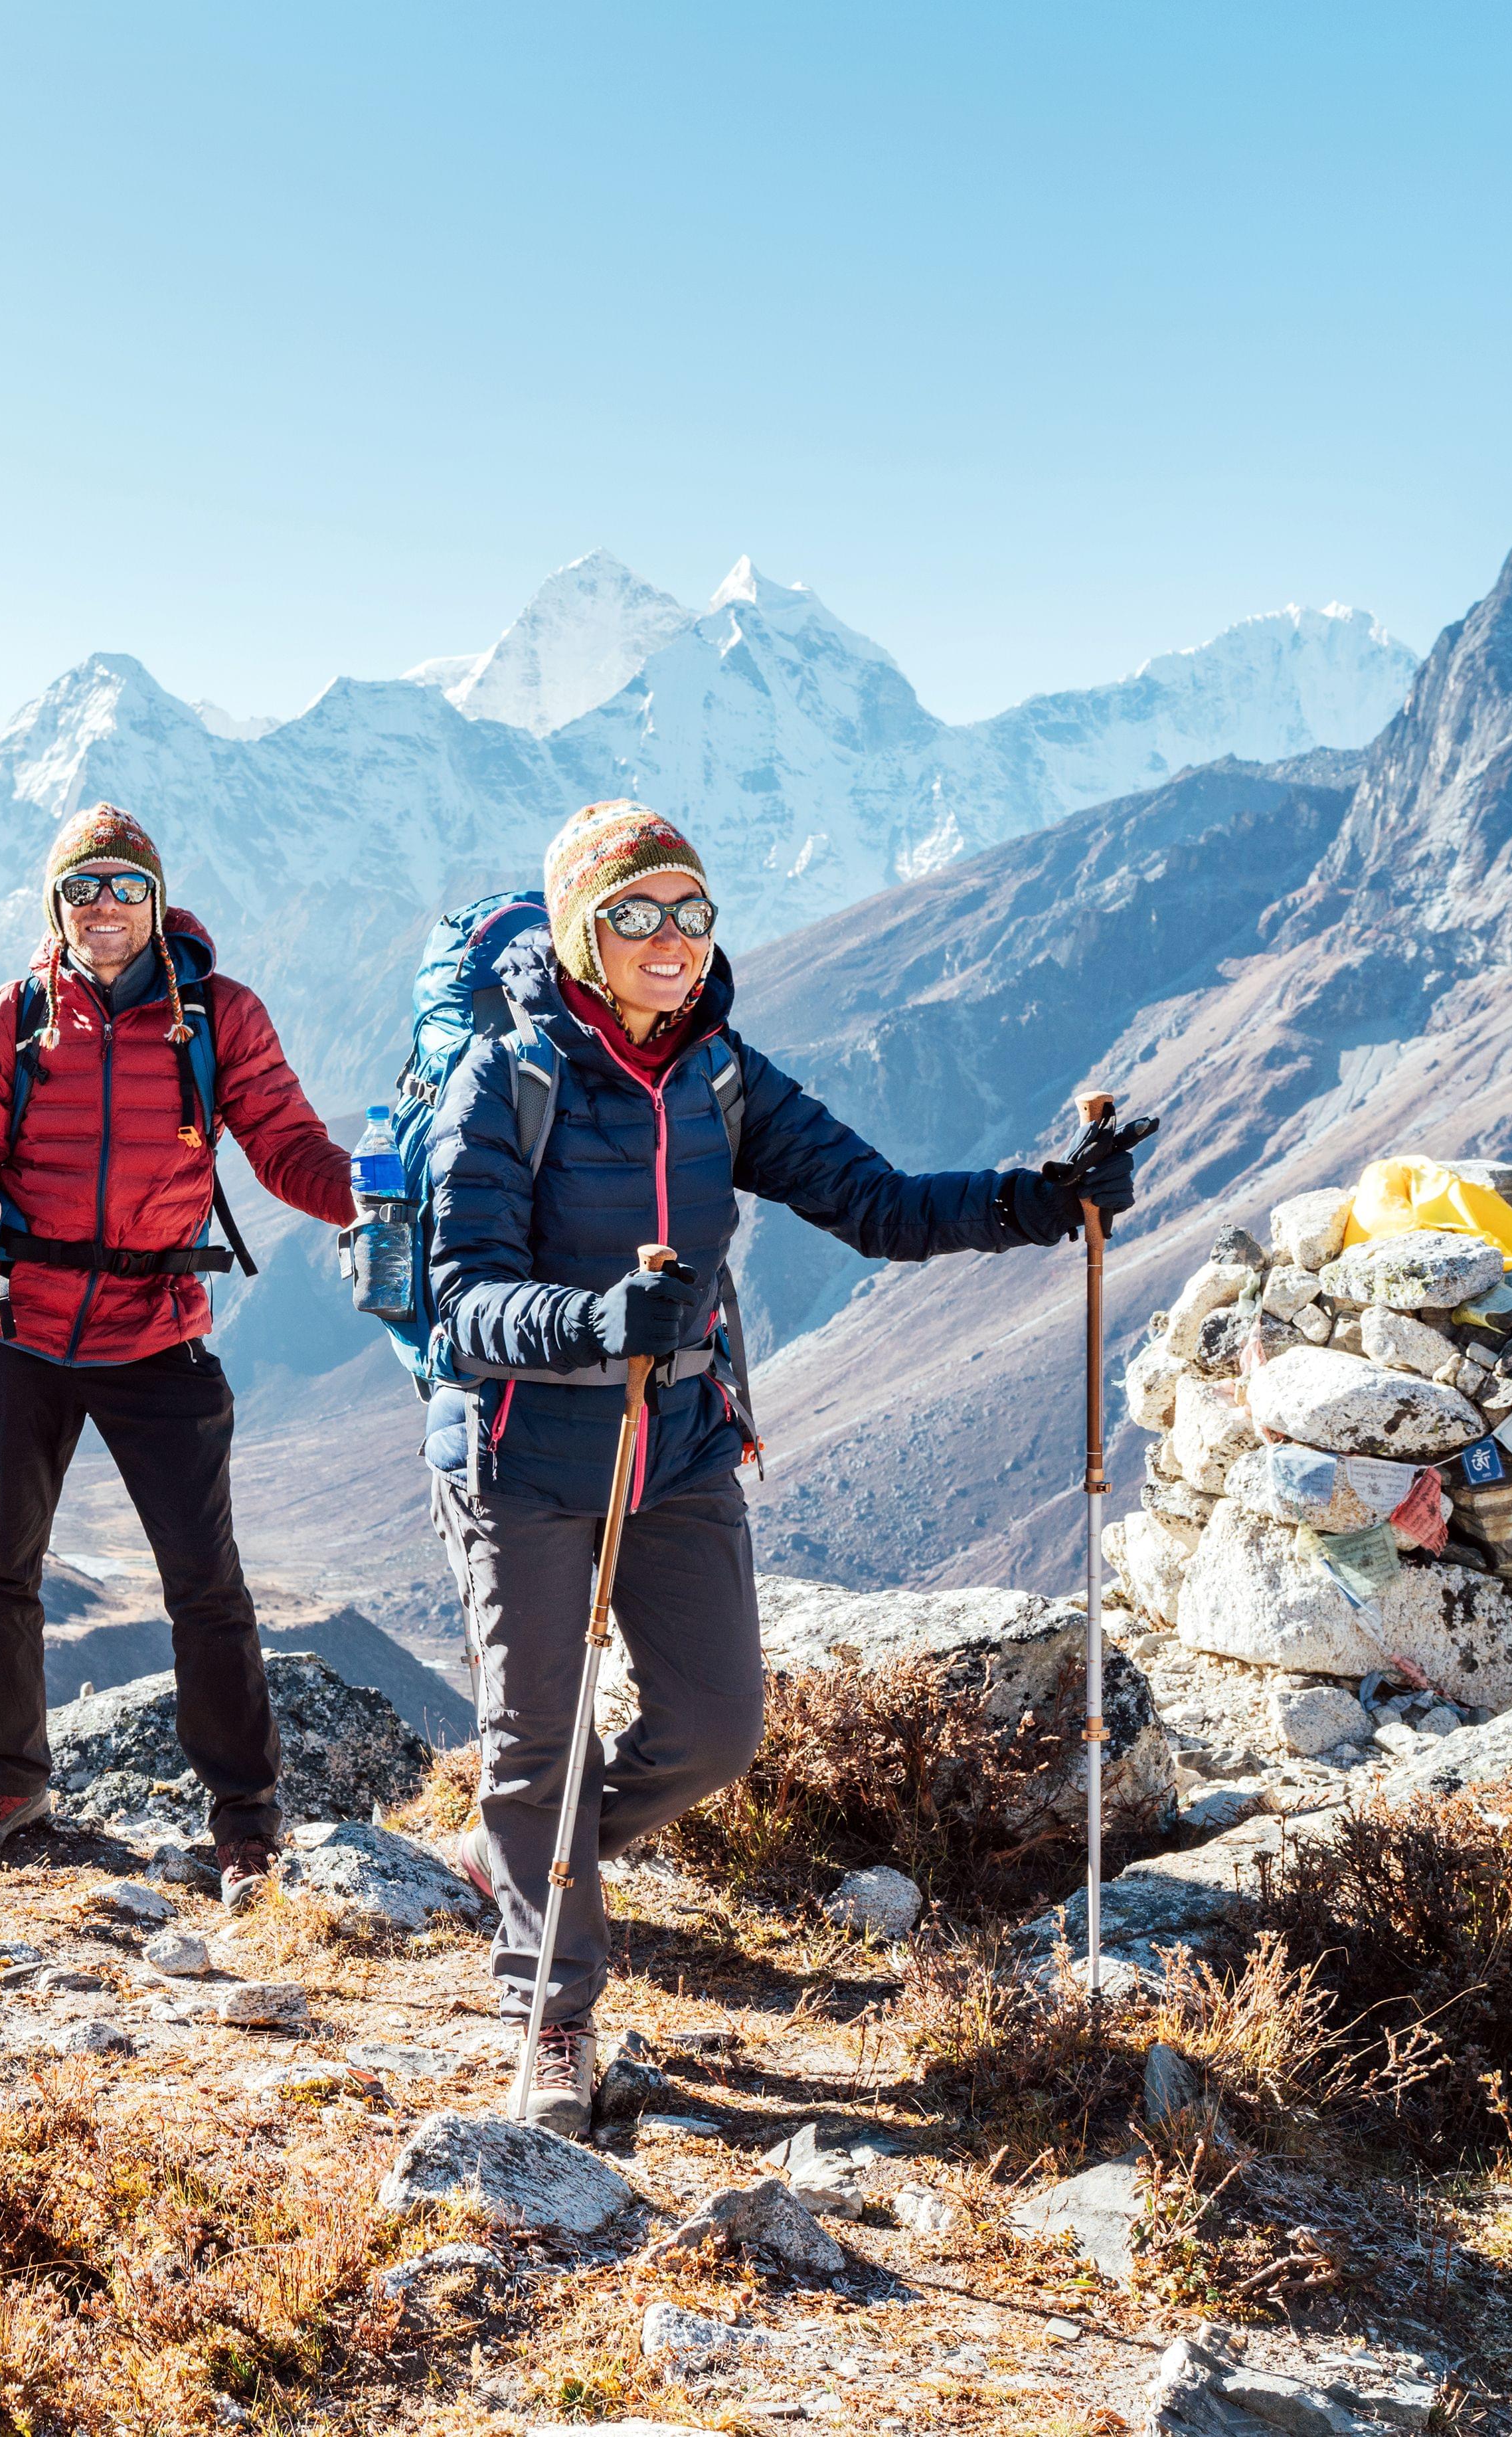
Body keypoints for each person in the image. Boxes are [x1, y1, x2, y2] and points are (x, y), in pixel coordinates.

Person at [424, 800, 1141, 2135]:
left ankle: (521, 1856)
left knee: (715, 1727)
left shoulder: (719, 1076)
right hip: (527, 1459)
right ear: (583, 933)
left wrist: (1036, 1200)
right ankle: (552, 2017)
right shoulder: (505, 1082)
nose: (670, 940)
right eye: (636, 914)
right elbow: (458, 1299)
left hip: (678, 1445)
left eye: (690, 913)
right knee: (537, 1744)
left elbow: (871, 1201)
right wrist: (587, 1322)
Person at [0, 804, 355, 1878]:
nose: (103, 906)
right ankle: (10, 1774)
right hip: (20, 1325)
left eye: (123, 885)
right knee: (0, 1571)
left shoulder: (216, 1017)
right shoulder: (12, 1018)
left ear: (157, 901)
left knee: (205, 1580)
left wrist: (374, 1199)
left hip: (157, 1332)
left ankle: (246, 1816)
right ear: (55, 906)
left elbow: (288, 1145)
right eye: (82, 887)